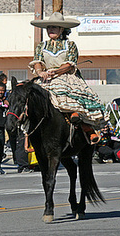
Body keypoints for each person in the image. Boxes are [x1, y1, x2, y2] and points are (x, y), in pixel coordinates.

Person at [29, 12, 107, 143]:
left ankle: (86, 129)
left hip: (66, 77)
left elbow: (69, 64)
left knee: (73, 99)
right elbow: (37, 61)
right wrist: (40, 72)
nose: (51, 29)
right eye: (49, 27)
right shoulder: (41, 46)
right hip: (45, 77)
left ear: (61, 29)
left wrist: (56, 72)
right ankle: (27, 132)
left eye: (54, 27)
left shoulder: (70, 45)